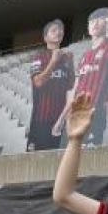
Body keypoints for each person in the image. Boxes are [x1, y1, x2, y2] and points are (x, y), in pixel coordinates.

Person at [60, 8, 108, 146]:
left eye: (100, 19)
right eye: (91, 22)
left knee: (85, 156)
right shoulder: (85, 55)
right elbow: (75, 88)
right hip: (75, 113)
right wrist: (62, 118)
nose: (95, 24)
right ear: (88, 28)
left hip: (95, 112)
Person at [28, 21, 75, 151]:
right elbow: (38, 82)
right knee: (39, 160)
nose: (58, 32)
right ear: (45, 37)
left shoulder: (66, 58)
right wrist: (53, 62)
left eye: (60, 30)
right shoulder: (38, 56)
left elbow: (71, 85)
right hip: (42, 119)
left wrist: (71, 65)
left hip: (61, 119)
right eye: (54, 30)